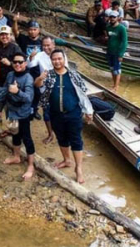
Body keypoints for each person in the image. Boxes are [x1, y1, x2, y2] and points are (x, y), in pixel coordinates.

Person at [37, 50, 93, 184]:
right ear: (51, 61)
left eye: (59, 59)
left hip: (73, 113)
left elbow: (83, 93)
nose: (57, 61)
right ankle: (67, 160)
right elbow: (37, 85)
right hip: (55, 113)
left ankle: (78, 168)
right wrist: (40, 78)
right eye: (54, 59)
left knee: (76, 140)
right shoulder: (48, 75)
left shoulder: (73, 74)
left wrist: (88, 111)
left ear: (64, 59)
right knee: (61, 138)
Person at [0, 52, 35, 180]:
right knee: (15, 134)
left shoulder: (28, 78)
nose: (17, 64)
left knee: (27, 138)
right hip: (11, 111)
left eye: (20, 62)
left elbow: (29, 98)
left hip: (23, 113)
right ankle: (16, 156)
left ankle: (31, 166)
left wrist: (18, 91)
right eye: (15, 62)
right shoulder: (10, 75)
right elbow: (4, 92)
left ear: (25, 63)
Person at [30, 36, 68, 144]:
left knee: (61, 112)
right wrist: (31, 58)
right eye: (44, 45)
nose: (46, 48)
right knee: (46, 113)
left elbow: (66, 69)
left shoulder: (61, 55)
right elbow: (31, 65)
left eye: (48, 45)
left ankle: (62, 133)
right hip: (45, 90)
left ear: (53, 45)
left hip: (59, 88)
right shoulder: (40, 55)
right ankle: (50, 134)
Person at [12, 15, 43, 119]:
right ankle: (25, 109)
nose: (32, 32)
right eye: (30, 29)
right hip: (26, 71)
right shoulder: (24, 39)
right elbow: (16, 33)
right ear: (27, 30)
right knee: (26, 90)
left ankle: (34, 110)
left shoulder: (42, 43)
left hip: (38, 71)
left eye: (35, 29)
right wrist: (15, 21)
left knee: (37, 92)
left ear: (38, 30)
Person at [106, 10, 128, 93]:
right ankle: (114, 84)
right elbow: (109, 37)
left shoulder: (122, 28)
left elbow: (125, 42)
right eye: (111, 17)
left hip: (117, 53)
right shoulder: (108, 27)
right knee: (112, 69)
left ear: (118, 18)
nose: (112, 18)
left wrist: (121, 54)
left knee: (117, 70)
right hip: (109, 52)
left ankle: (116, 87)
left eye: (114, 17)